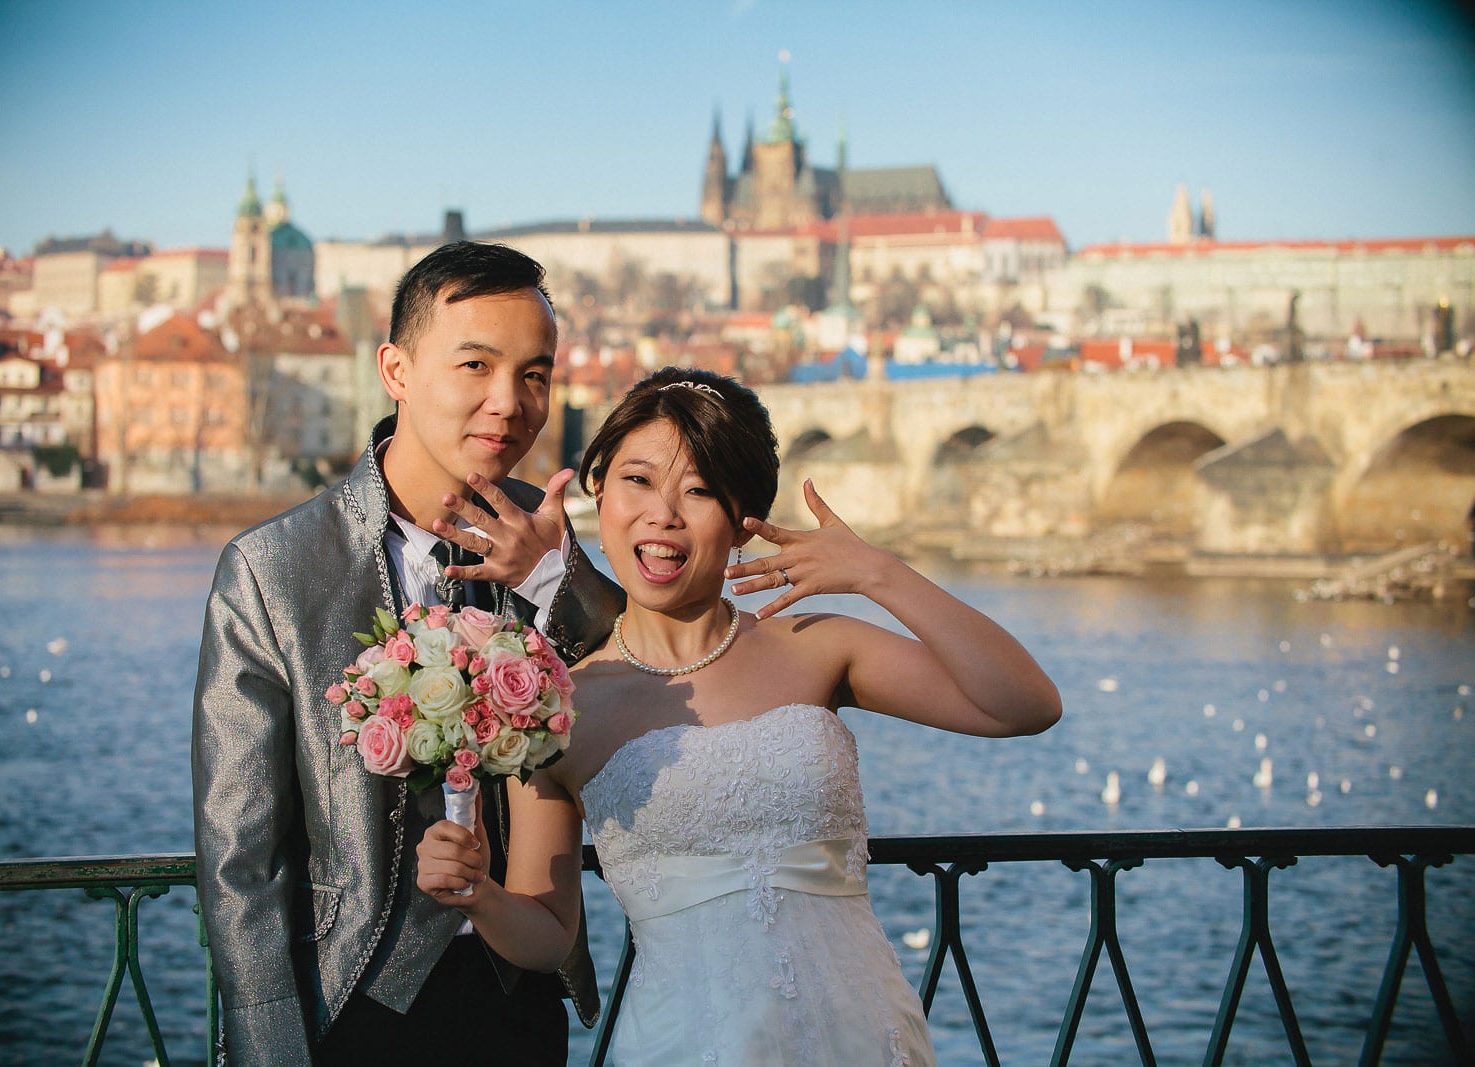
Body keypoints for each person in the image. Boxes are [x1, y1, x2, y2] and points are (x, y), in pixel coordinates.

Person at [415, 367, 1062, 1064]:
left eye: (698, 490)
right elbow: (546, 928)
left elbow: (1025, 704)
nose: (662, 513)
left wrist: (879, 573)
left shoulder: (818, 646)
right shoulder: (554, 704)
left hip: (861, 1038)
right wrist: (479, 892)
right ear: (596, 492)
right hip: (683, 1043)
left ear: (742, 519)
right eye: (637, 480)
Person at [192, 241, 623, 1066]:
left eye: (535, 375)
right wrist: (271, 1049)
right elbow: (241, 860)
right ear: (395, 369)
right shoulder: (272, 570)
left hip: (519, 999)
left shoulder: (547, 536)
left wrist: (551, 579)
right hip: (347, 1003)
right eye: (475, 365)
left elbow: (633, 679)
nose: (511, 402)